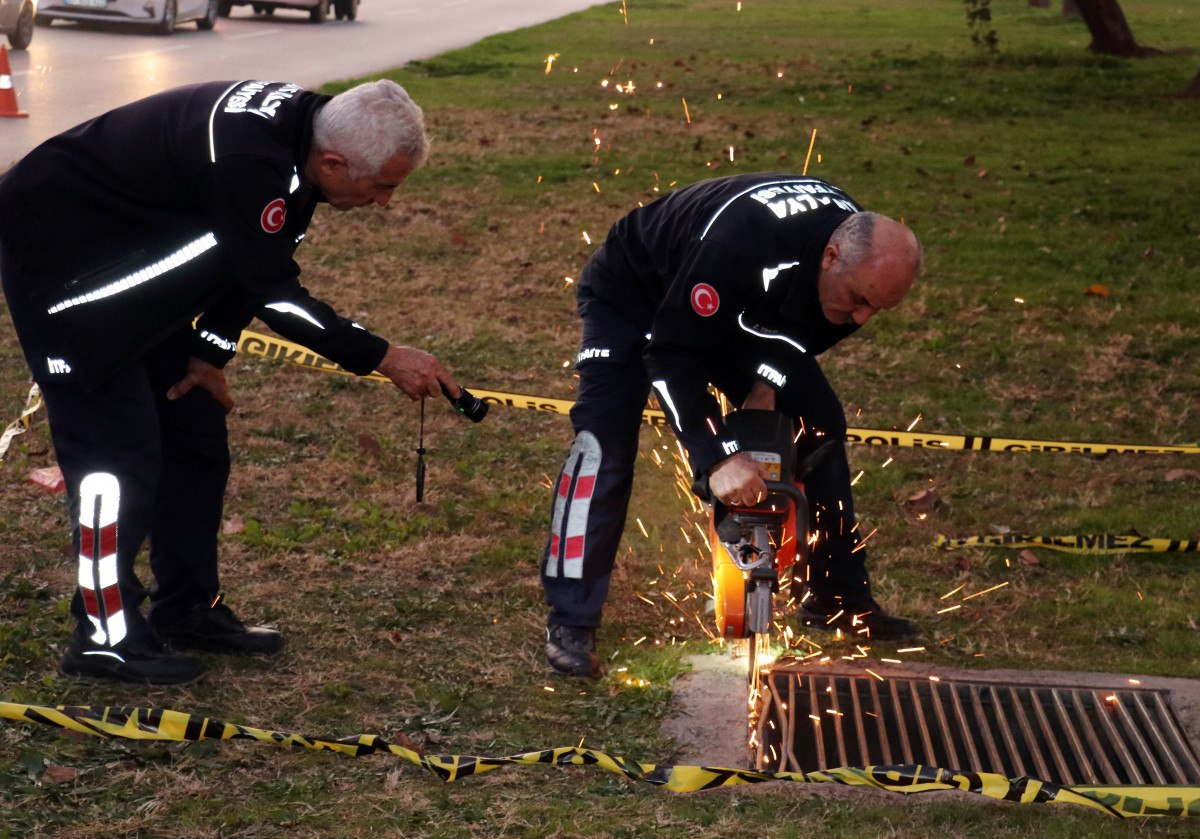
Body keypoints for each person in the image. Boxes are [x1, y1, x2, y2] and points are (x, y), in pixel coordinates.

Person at [0, 79, 466, 685]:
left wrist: (209, 352)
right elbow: (275, 292)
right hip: (67, 273)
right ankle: (103, 637)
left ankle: (187, 608)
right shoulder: (250, 159)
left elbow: (251, 259)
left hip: (137, 273)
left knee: (195, 438)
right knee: (118, 464)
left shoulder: (302, 136)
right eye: (382, 187)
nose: (385, 203)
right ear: (334, 162)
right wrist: (381, 355)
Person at [540, 173, 923, 678]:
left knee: (819, 421)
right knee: (604, 441)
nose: (862, 318)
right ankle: (571, 620)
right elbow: (671, 354)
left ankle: (835, 595)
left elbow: (803, 332)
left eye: (879, 307)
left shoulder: (850, 255)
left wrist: (765, 386)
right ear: (831, 257)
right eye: (859, 299)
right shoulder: (738, 245)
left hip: (733, 307)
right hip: (635, 296)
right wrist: (715, 455)